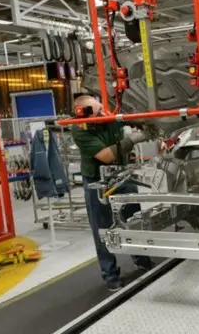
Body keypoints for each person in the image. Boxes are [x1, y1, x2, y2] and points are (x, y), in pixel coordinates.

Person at [70, 95, 154, 291]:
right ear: (83, 113)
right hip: (97, 182)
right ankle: (110, 275)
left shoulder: (108, 116)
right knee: (102, 229)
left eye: (103, 109)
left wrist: (146, 123)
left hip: (123, 175)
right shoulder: (80, 128)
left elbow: (130, 118)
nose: (104, 114)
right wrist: (135, 138)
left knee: (135, 220)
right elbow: (106, 156)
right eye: (99, 112)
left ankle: (142, 260)